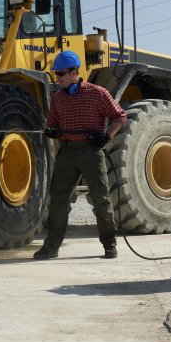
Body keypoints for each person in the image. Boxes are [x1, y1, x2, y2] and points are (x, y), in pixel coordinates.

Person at [35, 50, 127, 260]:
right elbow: (52, 124)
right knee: (58, 200)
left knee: (101, 199)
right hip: (66, 153)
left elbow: (120, 117)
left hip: (91, 153)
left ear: (75, 73)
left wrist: (106, 137)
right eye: (56, 74)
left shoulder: (98, 93)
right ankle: (51, 248)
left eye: (61, 74)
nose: (58, 78)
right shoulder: (57, 99)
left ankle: (109, 244)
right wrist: (52, 131)